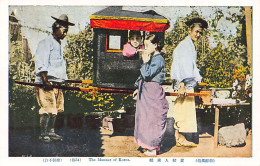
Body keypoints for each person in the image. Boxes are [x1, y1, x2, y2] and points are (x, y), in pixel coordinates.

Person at [35, 14, 75, 142]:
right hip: (46, 82)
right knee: (47, 109)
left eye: (67, 30)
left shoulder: (58, 45)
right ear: (56, 28)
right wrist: (45, 80)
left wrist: (64, 80)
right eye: (64, 30)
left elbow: (59, 65)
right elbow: (41, 62)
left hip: (57, 83)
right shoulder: (46, 42)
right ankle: (43, 134)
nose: (65, 33)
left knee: (56, 109)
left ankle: (51, 132)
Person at [170, 17, 208, 146]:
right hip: (183, 84)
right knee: (182, 109)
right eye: (196, 31)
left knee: (184, 110)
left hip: (188, 83)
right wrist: (181, 85)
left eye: (200, 33)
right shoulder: (184, 46)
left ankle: (180, 137)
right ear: (189, 30)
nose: (198, 35)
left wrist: (198, 80)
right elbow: (178, 66)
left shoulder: (190, 46)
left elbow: (191, 67)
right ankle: (180, 138)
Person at [133, 34, 169, 156]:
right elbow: (143, 76)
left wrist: (145, 62)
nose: (145, 48)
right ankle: (148, 145)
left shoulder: (158, 59)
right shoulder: (153, 58)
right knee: (145, 118)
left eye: (147, 45)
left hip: (153, 92)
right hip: (146, 92)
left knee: (153, 119)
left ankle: (153, 147)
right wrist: (138, 87)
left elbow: (147, 74)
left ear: (155, 45)